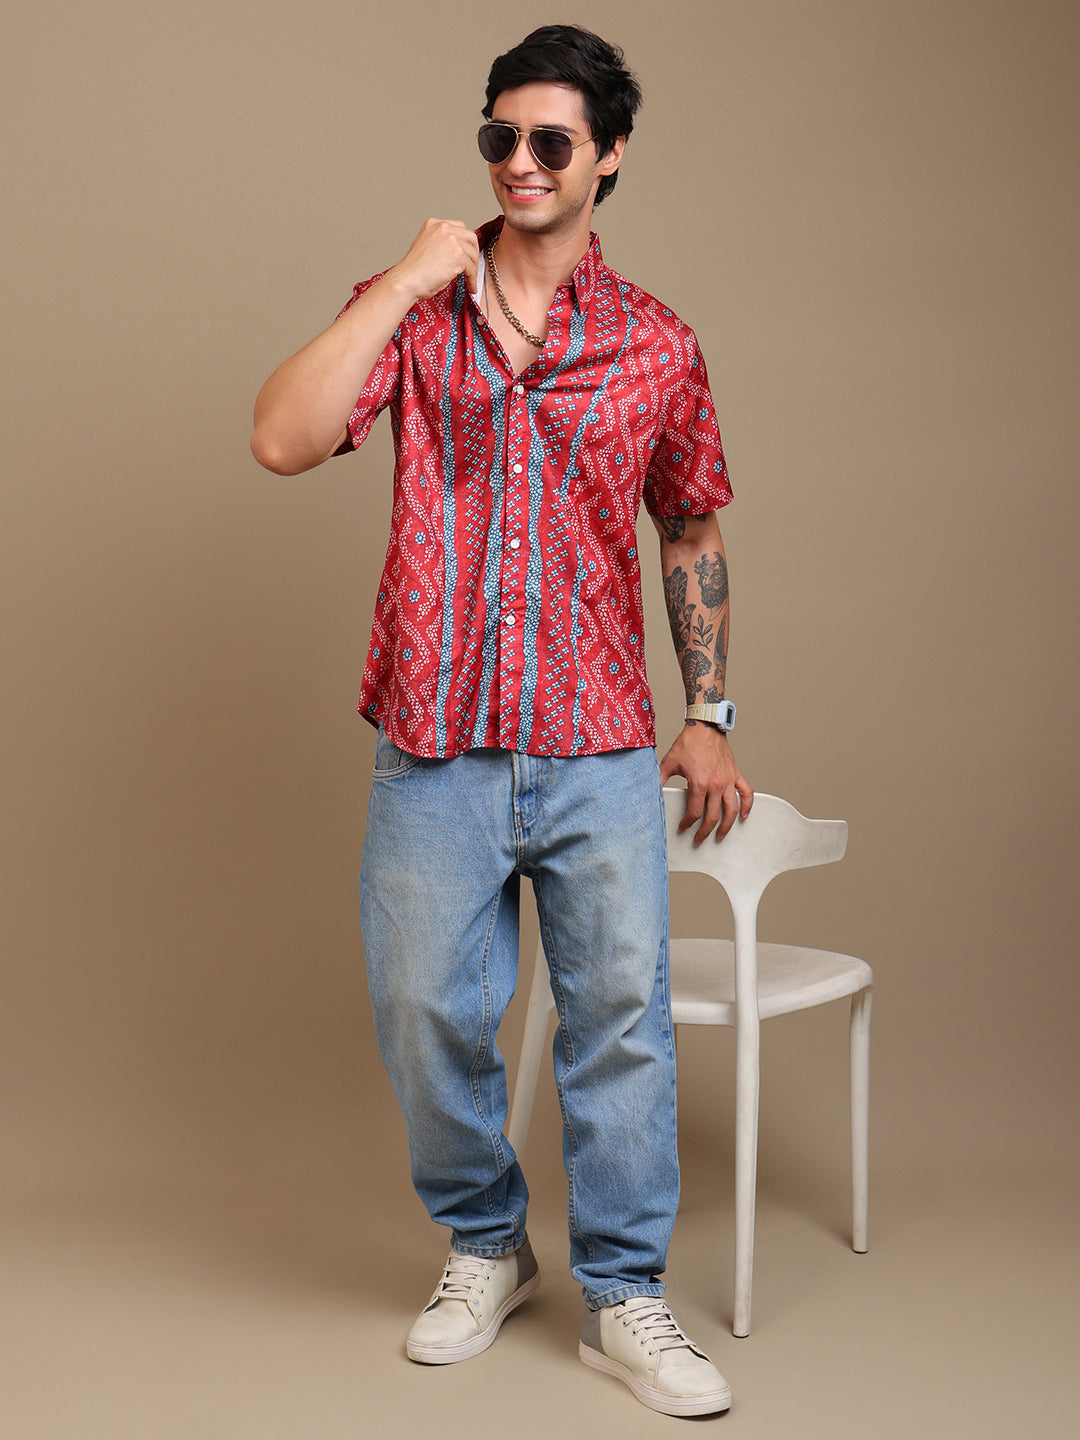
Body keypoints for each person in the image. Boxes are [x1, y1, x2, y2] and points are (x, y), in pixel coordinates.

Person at [251, 23, 753, 1419]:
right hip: (436, 738)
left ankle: (625, 1296)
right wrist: (410, 273)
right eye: (499, 137)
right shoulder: (413, 313)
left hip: (594, 738)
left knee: (621, 1025)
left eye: (549, 142)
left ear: (608, 159)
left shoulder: (659, 345)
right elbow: (282, 435)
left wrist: (708, 709)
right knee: (423, 1012)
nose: (520, 164)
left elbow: (692, 519)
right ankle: (486, 1242)